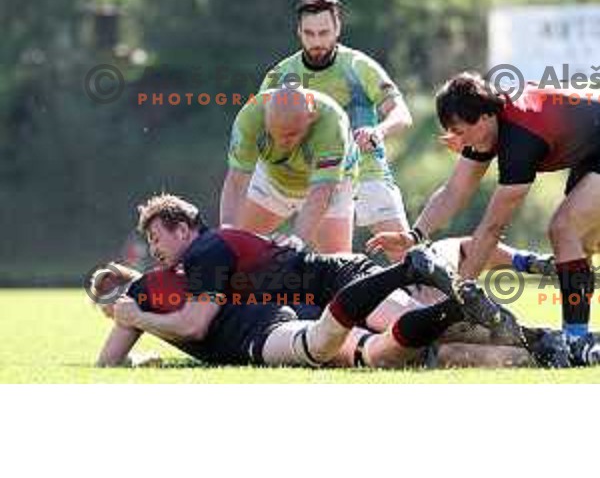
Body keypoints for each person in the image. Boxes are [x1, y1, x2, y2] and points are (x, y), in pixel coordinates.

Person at [90, 193, 567, 370]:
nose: (155, 250)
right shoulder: (207, 254)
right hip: (327, 297)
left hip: (341, 278)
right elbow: (176, 290)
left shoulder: (205, 253)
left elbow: (194, 322)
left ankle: (544, 341)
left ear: (183, 228)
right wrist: (127, 280)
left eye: (156, 237)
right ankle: (548, 348)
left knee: (429, 328)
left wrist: (135, 313)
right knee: (421, 351)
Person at [367, 72, 600, 342]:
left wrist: (459, 294)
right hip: (591, 149)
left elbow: (492, 228)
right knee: (579, 244)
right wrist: (414, 236)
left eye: (460, 132)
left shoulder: (519, 139)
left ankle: (575, 340)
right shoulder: (486, 126)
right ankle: (579, 339)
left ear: (485, 118)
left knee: (564, 228)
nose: (459, 142)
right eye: (453, 133)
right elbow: (454, 192)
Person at [259, 0, 412, 238]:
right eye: (309, 33)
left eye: (324, 33)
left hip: (366, 169)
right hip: (315, 177)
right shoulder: (281, 75)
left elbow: (402, 114)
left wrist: (379, 131)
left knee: (406, 255)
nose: (316, 41)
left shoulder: (358, 66)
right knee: (331, 263)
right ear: (299, 31)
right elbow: (263, 127)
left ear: (337, 29)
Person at [220, 87, 358, 253]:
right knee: (233, 249)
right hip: (274, 180)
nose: (281, 143)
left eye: (290, 135)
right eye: (274, 134)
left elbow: (322, 191)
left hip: (332, 183)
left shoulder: (332, 122)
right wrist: (227, 228)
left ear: (311, 118)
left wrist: (297, 239)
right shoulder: (251, 116)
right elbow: (237, 179)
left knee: (338, 263)